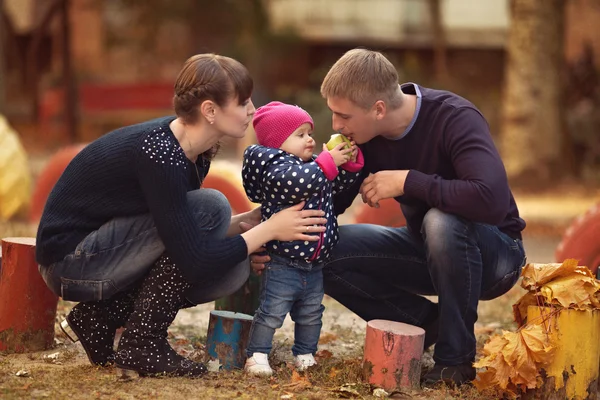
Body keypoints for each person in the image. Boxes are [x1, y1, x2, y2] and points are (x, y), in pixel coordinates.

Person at [35, 54, 327, 378]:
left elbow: (178, 230)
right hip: (71, 261)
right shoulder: (160, 154)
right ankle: (143, 343)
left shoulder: (195, 151)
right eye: (242, 101)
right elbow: (192, 256)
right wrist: (269, 230)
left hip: (107, 251)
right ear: (210, 111)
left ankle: (99, 318)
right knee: (212, 206)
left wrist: (253, 222)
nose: (252, 110)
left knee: (234, 267)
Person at [249, 48, 527, 386]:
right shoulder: (368, 136)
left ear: (378, 109)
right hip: (425, 248)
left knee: (441, 220)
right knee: (327, 248)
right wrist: (274, 232)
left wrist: (407, 180)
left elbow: (491, 200)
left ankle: (455, 361)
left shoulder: (454, 117)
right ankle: (427, 324)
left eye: (344, 116)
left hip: (495, 258)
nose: (336, 124)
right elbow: (327, 208)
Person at [240, 101, 364, 376]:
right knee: (272, 311)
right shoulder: (276, 168)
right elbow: (297, 182)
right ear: (277, 142)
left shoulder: (310, 166)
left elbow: (332, 183)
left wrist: (348, 166)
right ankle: (257, 354)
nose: (310, 139)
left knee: (311, 313)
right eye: (300, 134)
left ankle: (305, 352)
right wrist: (326, 163)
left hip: (314, 262)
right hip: (283, 261)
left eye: (310, 132)